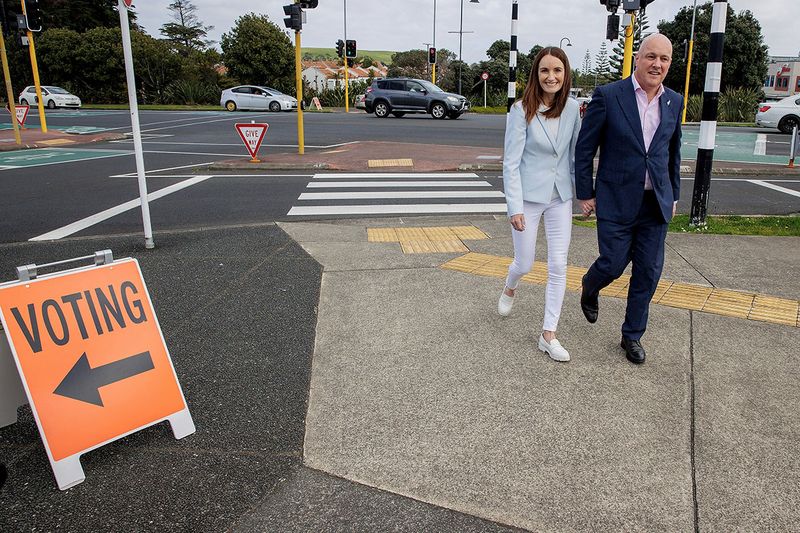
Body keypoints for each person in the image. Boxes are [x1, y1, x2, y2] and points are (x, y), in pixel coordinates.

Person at [574, 33, 682, 365]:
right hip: (616, 199)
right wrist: (585, 193)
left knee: (648, 272)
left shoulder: (674, 101)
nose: (657, 64)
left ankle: (631, 336)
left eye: (664, 59)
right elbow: (585, 148)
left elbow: (673, 151)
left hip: (655, 204)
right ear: (637, 58)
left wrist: (674, 194)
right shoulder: (609, 95)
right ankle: (590, 286)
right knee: (613, 263)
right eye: (651, 56)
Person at [498, 46, 582, 363]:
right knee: (526, 263)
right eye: (545, 70)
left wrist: (584, 193)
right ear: (536, 74)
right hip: (529, 198)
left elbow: (575, 155)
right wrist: (514, 207)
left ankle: (549, 334)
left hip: (560, 196)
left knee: (559, 265)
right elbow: (511, 163)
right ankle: (510, 284)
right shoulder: (521, 110)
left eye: (557, 70)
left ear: (565, 74)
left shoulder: (573, 109)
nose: (551, 76)